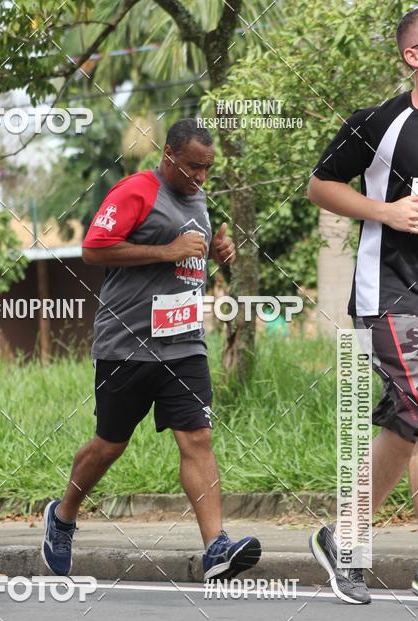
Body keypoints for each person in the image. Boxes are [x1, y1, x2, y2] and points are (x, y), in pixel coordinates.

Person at [42, 118, 261, 582]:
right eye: (193, 167)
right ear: (169, 158)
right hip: (127, 344)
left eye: (208, 168)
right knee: (109, 446)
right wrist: (168, 251)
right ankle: (62, 518)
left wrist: (219, 251)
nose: (201, 177)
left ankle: (216, 548)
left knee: (197, 438)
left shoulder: (198, 198)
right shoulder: (135, 191)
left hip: (184, 344)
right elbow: (94, 250)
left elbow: (192, 253)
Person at [307, 4, 418, 605]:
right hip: (392, 295)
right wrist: (385, 212)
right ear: (416, 55)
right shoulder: (381, 123)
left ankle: (343, 538)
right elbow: (320, 186)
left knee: (407, 421)